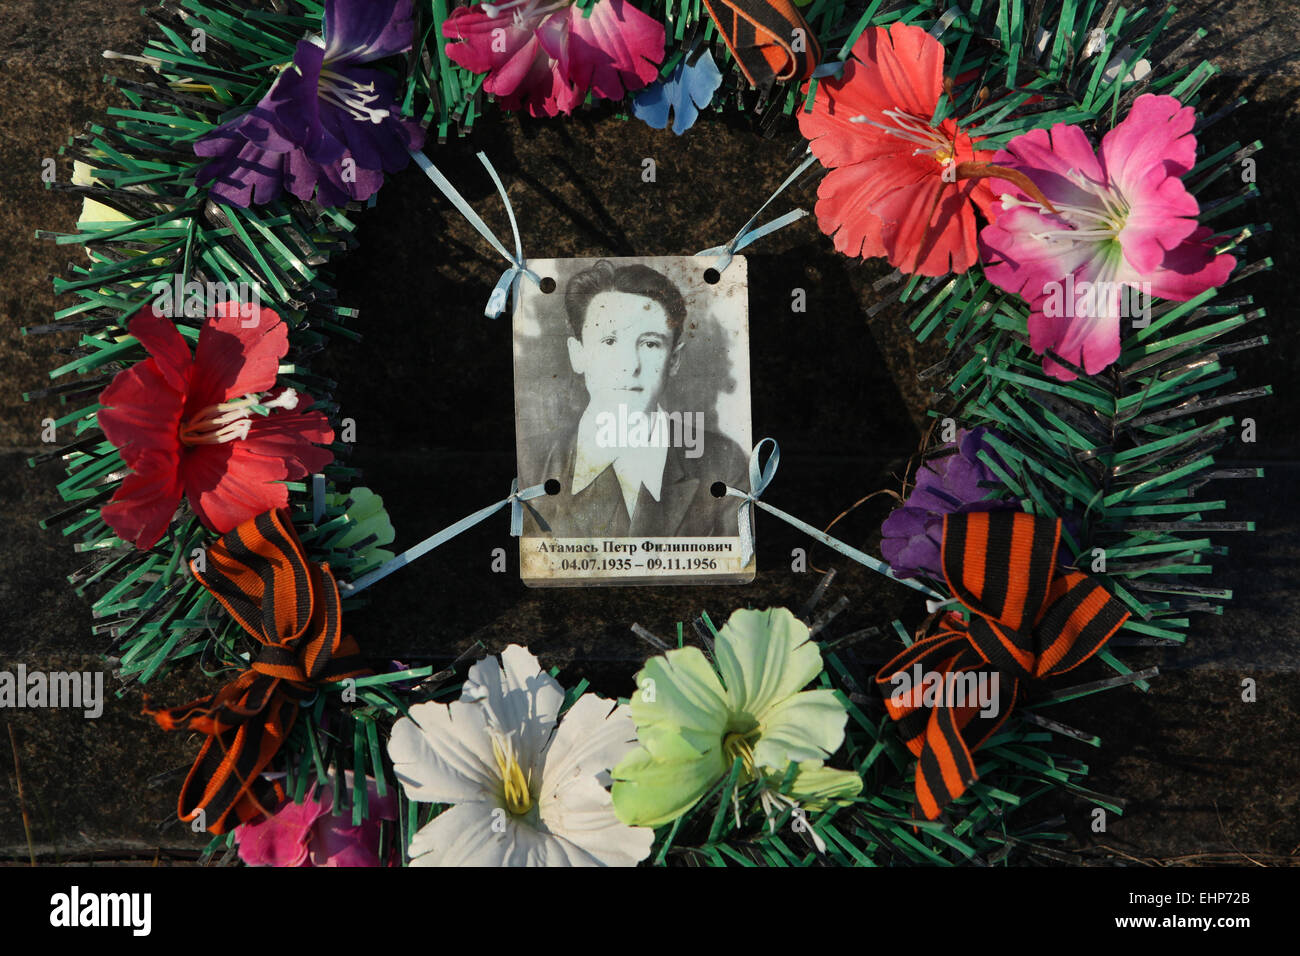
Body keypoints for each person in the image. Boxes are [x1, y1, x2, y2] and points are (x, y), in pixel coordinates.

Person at [519, 259, 749, 538]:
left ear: (674, 360)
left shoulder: (724, 463)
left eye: (650, 344)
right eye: (609, 342)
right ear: (577, 354)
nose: (630, 365)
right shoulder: (530, 463)